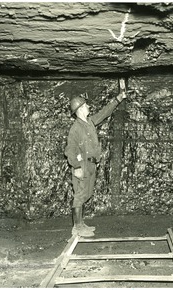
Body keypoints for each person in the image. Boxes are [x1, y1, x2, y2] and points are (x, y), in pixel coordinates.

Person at [65, 80, 127, 237]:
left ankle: (81, 224)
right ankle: (77, 227)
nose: (88, 107)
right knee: (79, 195)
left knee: (86, 194)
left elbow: (105, 112)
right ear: (79, 109)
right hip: (82, 165)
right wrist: (77, 167)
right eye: (85, 105)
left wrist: (118, 99)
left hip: (91, 164)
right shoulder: (75, 129)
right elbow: (70, 149)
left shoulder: (90, 122)